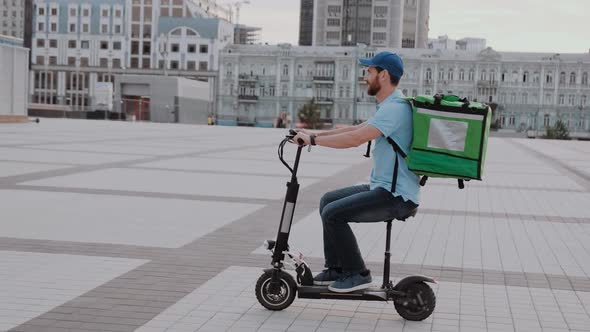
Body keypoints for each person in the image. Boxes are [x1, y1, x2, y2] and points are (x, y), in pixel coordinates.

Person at [292, 51, 420, 293]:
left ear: (383, 75)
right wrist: (311, 135)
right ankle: (338, 268)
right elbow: (355, 128)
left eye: (369, 72)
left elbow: (355, 139)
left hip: (397, 196)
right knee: (327, 200)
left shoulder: (395, 110)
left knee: (333, 213)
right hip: (384, 188)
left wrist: (314, 142)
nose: (365, 76)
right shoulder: (390, 105)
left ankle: (357, 272)